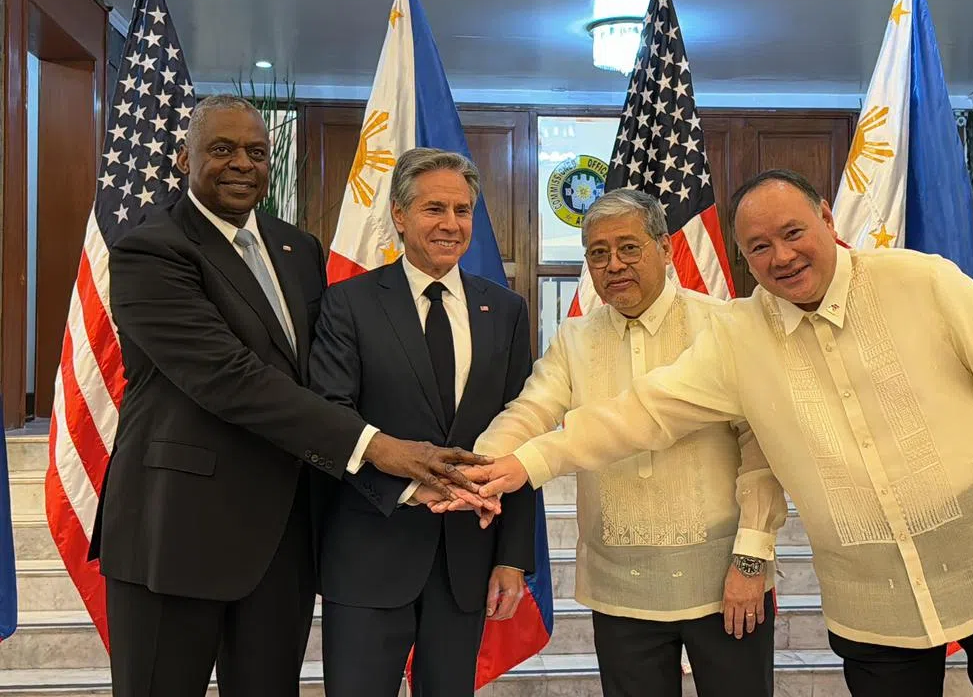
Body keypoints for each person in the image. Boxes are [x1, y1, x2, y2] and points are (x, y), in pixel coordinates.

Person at [471, 169, 973, 697]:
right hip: (872, 602)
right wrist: (524, 464)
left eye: (793, 233)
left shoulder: (921, 280)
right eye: (760, 247)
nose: (782, 256)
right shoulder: (739, 338)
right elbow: (642, 413)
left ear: (827, 218)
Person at [94, 96, 490, 697]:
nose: (241, 164)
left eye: (256, 151)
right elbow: (231, 378)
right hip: (176, 532)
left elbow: (324, 377)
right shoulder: (150, 248)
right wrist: (377, 447)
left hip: (281, 537)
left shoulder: (296, 248)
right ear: (184, 158)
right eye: (221, 149)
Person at [469, 189, 778, 697]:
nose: (614, 265)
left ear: (664, 247)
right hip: (620, 588)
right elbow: (531, 411)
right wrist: (477, 469)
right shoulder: (575, 338)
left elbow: (760, 454)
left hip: (724, 581)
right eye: (598, 252)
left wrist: (751, 559)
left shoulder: (723, 325)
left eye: (629, 248)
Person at [308, 148, 537, 697]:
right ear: (400, 215)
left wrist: (512, 558)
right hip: (369, 551)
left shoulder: (504, 311)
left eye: (462, 210)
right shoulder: (348, 303)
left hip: (466, 560)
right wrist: (408, 485)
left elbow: (524, 429)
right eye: (435, 208)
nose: (451, 224)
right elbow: (328, 417)